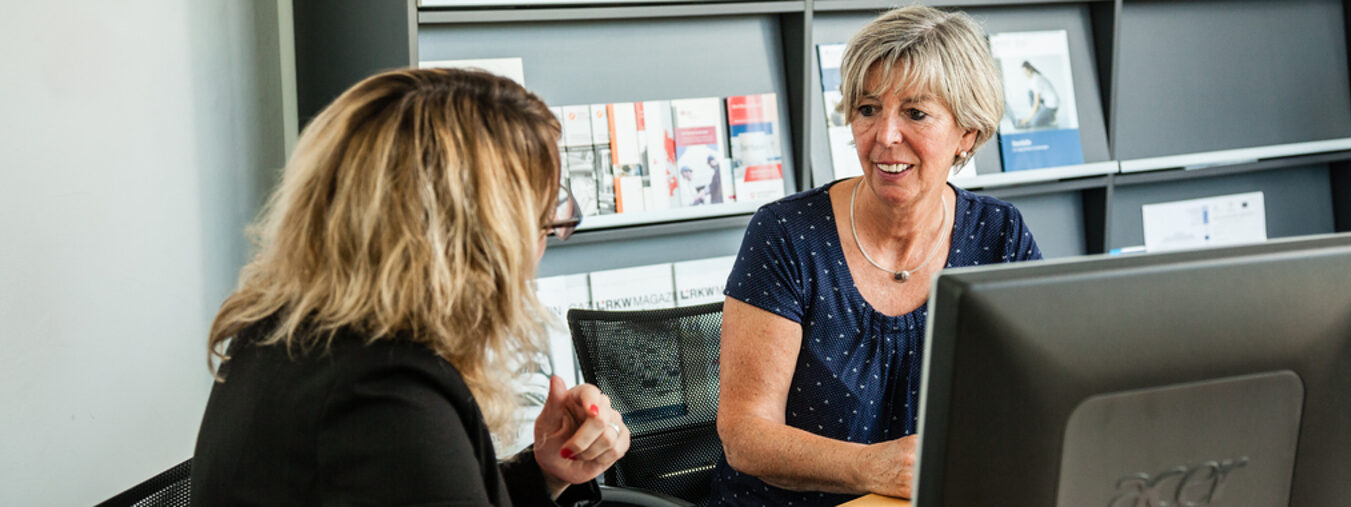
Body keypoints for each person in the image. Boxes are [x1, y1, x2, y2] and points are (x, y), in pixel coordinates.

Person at [191, 67, 628, 506]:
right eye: (541, 227)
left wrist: (544, 473)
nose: (538, 253)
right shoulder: (385, 400)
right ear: (475, 244)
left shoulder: (287, 334)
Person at [710, 6, 1043, 506]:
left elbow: (1036, 395)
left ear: (966, 135)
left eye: (915, 113)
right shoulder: (788, 234)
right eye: (868, 109)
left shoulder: (999, 235)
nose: (885, 136)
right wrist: (872, 467)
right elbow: (745, 435)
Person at [1014, 61, 1060, 129]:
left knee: (1033, 123)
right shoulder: (1034, 77)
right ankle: (1039, 114)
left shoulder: (1036, 80)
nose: (1025, 74)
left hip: (1051, 106)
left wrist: (1028, 119)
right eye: (1023, 73)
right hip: (1047, 101)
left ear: (1030, 70)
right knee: (1030, 93)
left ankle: (1050, 117)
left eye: (1025, 72)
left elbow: (1036, 104)